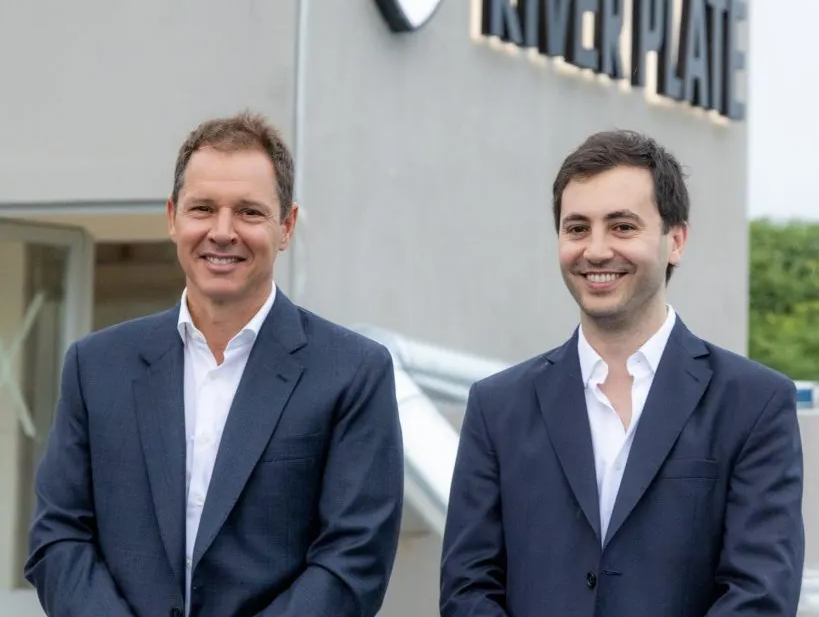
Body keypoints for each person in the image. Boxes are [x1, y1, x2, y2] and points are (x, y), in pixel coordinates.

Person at [26, 111, 404, 617]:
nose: (222, 232)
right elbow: (59, 536)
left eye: (249, 212)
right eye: (203, 208)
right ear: (172, 217)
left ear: (287, 226)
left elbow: (353, 560)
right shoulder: (95, 368)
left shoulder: (353, 373)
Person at [440, 130, 804, 616]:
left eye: (622, 226)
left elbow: (760, 596)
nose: (595, 250)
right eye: (577, 228)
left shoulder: (754, 403)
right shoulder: (497, 407)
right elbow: (467, 589)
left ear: (676, 241)